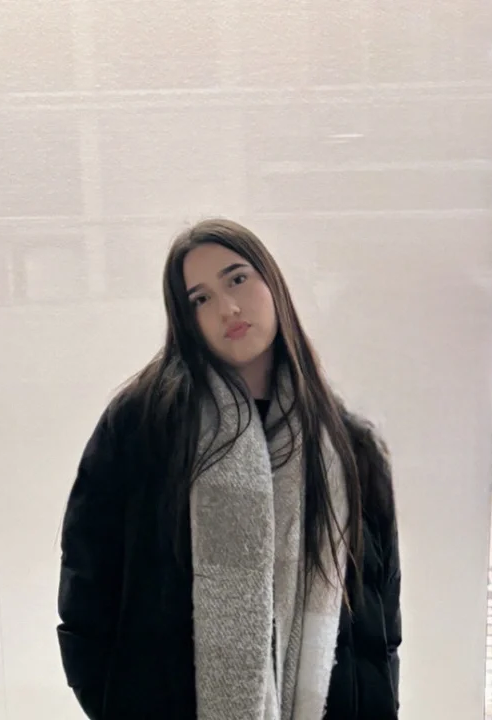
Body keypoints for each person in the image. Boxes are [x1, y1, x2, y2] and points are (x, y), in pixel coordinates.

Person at [56, 218, 401, 720]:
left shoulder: (349, 447)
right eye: (200, 299)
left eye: (237, 279)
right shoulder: (144, 427)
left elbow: (380, 628)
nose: (228, 309)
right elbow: (87, 593)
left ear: (272, 282)